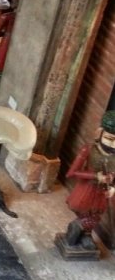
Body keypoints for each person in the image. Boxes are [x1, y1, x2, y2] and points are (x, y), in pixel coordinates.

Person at [58, 110, 115, 256]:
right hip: (87, 191)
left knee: (96, 215)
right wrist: (95, 176)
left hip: (103, 193)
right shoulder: (89, 150)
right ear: (100, 133)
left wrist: (113, 186)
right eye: (109, 138)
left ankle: (86, 235)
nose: (113, 144)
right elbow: (71, 173)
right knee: (86, 215)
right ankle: (76, 228)